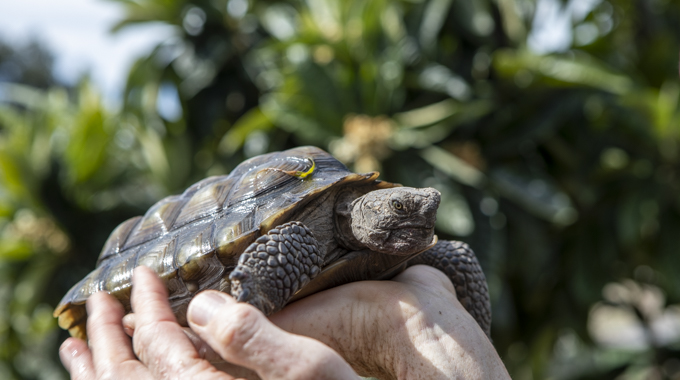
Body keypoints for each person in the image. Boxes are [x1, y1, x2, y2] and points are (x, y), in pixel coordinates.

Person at [59, 265, 510, 379]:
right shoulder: (303, 233)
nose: (419, 218)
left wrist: (448, 342)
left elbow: (449, 271)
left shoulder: (398, 244)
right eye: (397, 211)